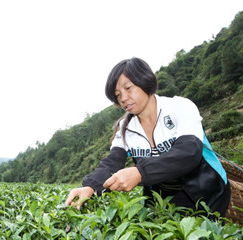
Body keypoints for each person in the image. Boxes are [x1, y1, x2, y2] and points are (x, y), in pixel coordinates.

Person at [66, 57, 231, 216]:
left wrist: (140, 172)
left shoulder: (179, 107)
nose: (123, 98)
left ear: (145, 81)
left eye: (128, 88)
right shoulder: (126, 128)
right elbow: (112, 162)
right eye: (117, 94)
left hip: (207, 191)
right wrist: (90, 187)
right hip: (163, 201)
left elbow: (189, 152)